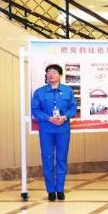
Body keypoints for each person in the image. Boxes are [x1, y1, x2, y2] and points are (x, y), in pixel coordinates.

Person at [31, 64, 77, 201]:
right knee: (48, 158)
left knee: (62, 158)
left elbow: (73, 108)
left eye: (54, 72)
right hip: (46, 129)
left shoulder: (68, 91)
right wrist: (48, 118)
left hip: (63, 129)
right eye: (48, 72)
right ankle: (51, 190)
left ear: (60, 75)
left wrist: (65, 117)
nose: (50, 74)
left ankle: (60, 189)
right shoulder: (39, 92)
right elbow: (35, 110)